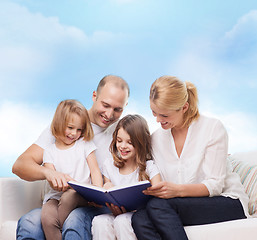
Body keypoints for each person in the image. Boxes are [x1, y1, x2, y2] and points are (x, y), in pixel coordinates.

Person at [131, 76, 249, 240]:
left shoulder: (212, 128)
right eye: (154, 113)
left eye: (164, 115)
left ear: (184, 107)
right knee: (139, 218)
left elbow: (215, 185)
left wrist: (176, 190)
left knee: (158, 206)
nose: (158, 120)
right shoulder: (156, 139)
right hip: (178, 204)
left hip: (227, 201)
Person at [12, 75, 129, 240]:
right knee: (30, 222)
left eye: (118, 109)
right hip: (59, 202)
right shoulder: (64, 125)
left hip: (93, 206)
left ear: (125, 107)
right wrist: (48, 173)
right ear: (94, 96)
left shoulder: (122, 134)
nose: (109, 114)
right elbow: (20, 165)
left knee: (75, 219)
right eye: (105, 105)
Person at [91, 114, 161, 240]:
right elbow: (107, 194)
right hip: (116, 213)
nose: (122, 146)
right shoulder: (109, 165)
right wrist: (107, 187)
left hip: (139, 215)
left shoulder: (149, 167)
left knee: (122, 221)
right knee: (100, 221)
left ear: (140, 143)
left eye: (129, 142)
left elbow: (159, 198)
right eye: (119, 140)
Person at [41, 99, 103, 240]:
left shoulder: (84, 144)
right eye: (70, 127)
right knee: (46, 217)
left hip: (81, 195)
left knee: (70, 196)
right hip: (56, 196)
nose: (74, 133)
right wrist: (62, 181)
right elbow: (52, 178)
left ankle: (64, 227)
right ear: (58, 123)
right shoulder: (49, 151)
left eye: (79, 129)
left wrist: (98, 193)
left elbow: (95, 170)